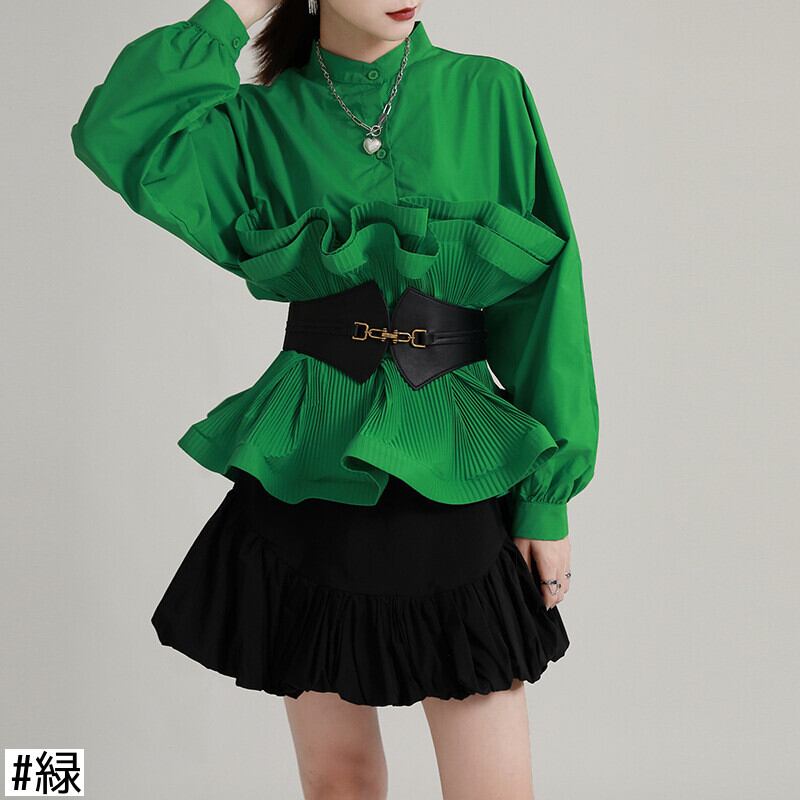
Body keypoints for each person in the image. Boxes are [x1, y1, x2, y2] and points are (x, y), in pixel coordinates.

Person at [70, 0, 599, 797]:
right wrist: (239, 8)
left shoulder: (487, 91)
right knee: (336, 780)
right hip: (308, 459)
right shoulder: (259, 119)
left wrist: (547, 500)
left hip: (456, 455)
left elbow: (544, 303)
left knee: (492, 783)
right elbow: (118, 129)